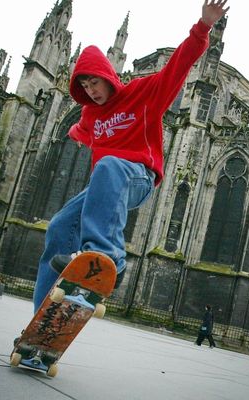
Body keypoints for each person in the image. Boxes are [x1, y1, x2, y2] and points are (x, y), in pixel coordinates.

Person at [31, 0, 230, 311]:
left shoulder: (143, 93)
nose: (91, 90)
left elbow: (178, 66)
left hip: (138, 178)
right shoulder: (89, 116)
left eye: (94, 82)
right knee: (59, 225)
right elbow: (75, 131)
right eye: (85, 85)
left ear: (108, 75)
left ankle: (107, 258)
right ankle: (43, 318)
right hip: (105, 187)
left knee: (110, 165)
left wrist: (203, 27)